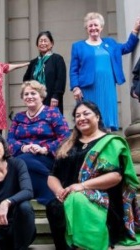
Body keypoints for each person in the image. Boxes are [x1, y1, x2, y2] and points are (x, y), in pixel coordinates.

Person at [47, 101, 140, 250]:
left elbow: (116, 176)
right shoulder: (68, 144)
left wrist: (82, 186)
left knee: (78, 199)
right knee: (54, 207)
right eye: (77, 116)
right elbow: (53, 175)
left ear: (97, 117)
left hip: (103, 199)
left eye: (86, 113)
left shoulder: (110, 143)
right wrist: (59, 191)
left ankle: (92, 244)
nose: (81, 118)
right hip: (69, 195)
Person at [70, 12, 140, 131]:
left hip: (107, 86)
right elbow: (73, 69)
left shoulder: (110, 43)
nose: (93, 28)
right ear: (86, 28)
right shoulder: (78, 46)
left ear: (101, 27)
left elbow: (127, 47)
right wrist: (75, 87)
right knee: (89, 115)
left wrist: (135, 30)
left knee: (106, 117)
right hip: (88, 87)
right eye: (90, 26)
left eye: (96, 25)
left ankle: (106, 139)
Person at [7, 80, 70, 206]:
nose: (29, 96)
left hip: (46, 157)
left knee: (21, 163)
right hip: (22, 155)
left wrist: (44, 149)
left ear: (41, 95)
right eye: (26, 94)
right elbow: (10, 140)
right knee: (21, 161)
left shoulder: (53, 113)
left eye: (33, 93)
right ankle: (50, 191)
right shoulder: (18, 117)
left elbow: (66, 137)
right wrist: (23, 147)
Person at [23, 31, 66, 114]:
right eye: (40, 41)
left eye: (45, 41)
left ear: (52, 43)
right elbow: (26, 80)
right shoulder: (33, 62)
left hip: (52, 99)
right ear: (37, 45)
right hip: (36, 100)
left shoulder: (57, 59)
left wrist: (56, 96)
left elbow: (61, 79)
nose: (43, 43)